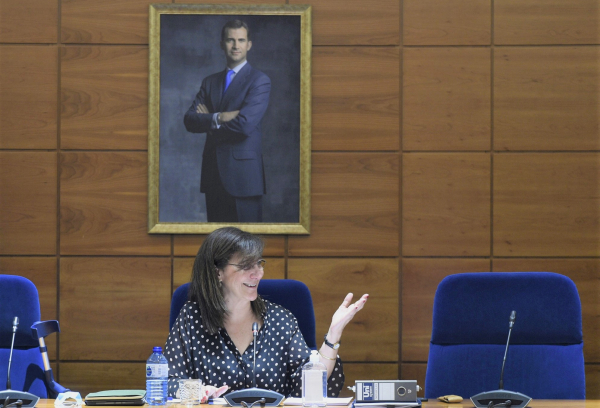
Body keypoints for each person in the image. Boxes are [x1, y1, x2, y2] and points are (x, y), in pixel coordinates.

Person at [165, 227, 369, 400]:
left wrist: (333, 335)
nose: (257, 273)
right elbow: (169, 381)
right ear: (218, 272)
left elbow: (308, 388)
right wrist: (199, 391)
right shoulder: (192, 318)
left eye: (258, 264)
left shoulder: (281, 320)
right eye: (246, 266)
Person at [184, 20, 270, 223]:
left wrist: (210, 124)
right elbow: (189, 120)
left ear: (249, 44)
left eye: (241, 40)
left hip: (244, 178)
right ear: (222, 43)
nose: (235, 45)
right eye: (230, 40)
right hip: (213, 175)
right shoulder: (209, 82)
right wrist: (220, 117)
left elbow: (245, 125)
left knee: (247, 248)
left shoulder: (259, 80)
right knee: (218, 248)